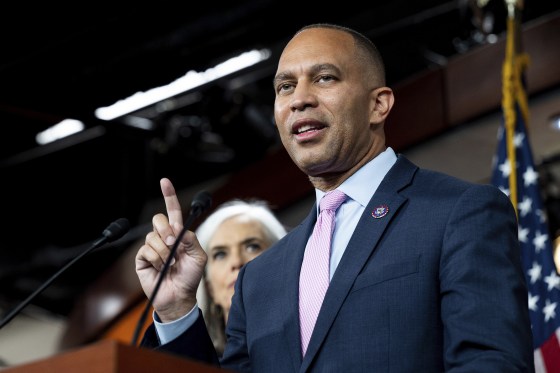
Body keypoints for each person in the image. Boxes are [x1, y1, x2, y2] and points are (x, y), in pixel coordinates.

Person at [135, 23, 534, 372]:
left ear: (378, 105)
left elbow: (491, 363)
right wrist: (177, 310)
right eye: (285, 86)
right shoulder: (260, 278)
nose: (299, 99)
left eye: (324, 78)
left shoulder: (459, 213)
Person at [192, 198, 287, 355]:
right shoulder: (195, 362)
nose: (236, 262)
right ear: (209, 288)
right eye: (220, 254)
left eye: (252, 246)